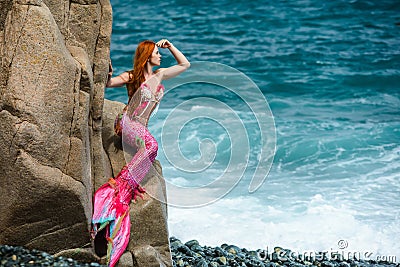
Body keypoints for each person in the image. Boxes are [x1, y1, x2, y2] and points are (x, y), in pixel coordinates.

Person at [91, 39, 190, 267]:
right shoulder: (132, 76)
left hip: (140, 130)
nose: (160, 56)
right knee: (152, 147)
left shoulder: (161, 75)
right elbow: (107, 83)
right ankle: (121, 188)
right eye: (157, 53)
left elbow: (185, 65)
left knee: (150, 150)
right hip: (126, 123)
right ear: (147, 56)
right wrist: (108, 69)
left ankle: (121, 194)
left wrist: (171, 46)